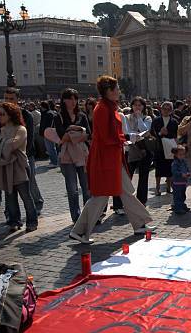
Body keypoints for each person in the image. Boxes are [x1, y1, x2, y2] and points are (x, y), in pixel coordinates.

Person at [70, 76, 155, 244]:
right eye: (116, 89)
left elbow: (111, 136)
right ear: (108, 91)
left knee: (126, 191)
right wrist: (129, 136)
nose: (119, 91)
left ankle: (139, 223)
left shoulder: (108, 107)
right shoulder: (102, 109)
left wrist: (127, 137)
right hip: (105, 159)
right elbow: (106, 136)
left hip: (113, 158)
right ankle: (79, 230)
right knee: (101, 196)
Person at [0, 102, 38, 233]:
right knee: (10, 197)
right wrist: (2, 145)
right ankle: (14, 221)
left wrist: (0, 145)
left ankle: (32, 221)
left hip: (19, 167)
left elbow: (14, 144)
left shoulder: (21, 128)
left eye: (2, 114)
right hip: (5, 166)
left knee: (26, 196)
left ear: (10, 114)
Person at [3, 87, 44, 215]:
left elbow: (29, 138)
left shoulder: (26, 115)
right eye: (6, 98)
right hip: (8, 155)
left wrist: (20, 152)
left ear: (18, 100)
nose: (8, 101)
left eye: (11, 99)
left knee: (29, 181)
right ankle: (10, 211)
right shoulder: (2, 115)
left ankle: (37, 203)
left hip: (25, 155)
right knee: (9, 183)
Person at [54, 88, 91, 223]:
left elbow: (88, 135)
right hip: (67, 155)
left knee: (86, 187)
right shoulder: (58, 116)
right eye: (70, 98)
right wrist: (77, 131)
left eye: (75, 98)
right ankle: (76, 217)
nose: (73, 101)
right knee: (72, 189)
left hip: (82, 153)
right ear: (64, 100)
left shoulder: (82, 116)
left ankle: (89, 214)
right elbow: (62, 137)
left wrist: (70, 130)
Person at [123, 96, 153, 205]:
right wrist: (135, 135)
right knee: (127, 177)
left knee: (143, 177)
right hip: (130, 150)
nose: (137, 107)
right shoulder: (126, 117)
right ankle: (125, 201)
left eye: (139, 105)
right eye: (135, 105)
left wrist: (139, 118)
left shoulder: (147, 118)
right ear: (131, 106)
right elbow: (126, 131)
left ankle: (142, 201)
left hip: (144, 150)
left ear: (143, 106)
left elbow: (145, 131)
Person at [151, 101, 178, 196]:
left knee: (169, 168)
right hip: (159, 147)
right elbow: (152, 133)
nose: (166, 111)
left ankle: (168, 187)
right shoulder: (156, 120)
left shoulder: (174, 121)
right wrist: (159, 133)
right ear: (161, 109)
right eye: (164, 109)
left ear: (171, 111)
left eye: (168, 109)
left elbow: (176, 135)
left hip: (170, 147)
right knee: (158, 168)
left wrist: (168, 134)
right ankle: (157, 188)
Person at [171, 146, 191, 215]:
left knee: (183, 195)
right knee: (177, 196)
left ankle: (182, 206)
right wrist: (181, 174)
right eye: (180, 155)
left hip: (183, 182)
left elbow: (187, 168)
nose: (182, 156)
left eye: (183, 154)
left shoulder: (184, 161)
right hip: (177, 183)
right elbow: (174, 172)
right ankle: (178, 208)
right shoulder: (175, 163)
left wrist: (188, 173)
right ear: (176, 155)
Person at [39, 101, 58, 168]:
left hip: (48, 132)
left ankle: (54, 162)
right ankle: (54, 160)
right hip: (49, 132)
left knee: (50, 148)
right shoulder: (50, 112)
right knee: (51, 147)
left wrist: (44, 131)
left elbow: (46, 124)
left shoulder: (47, 113)